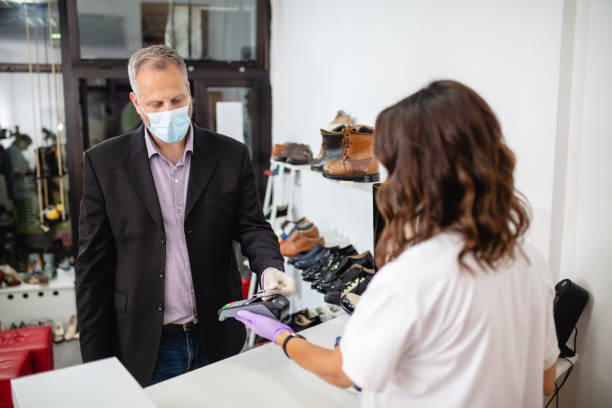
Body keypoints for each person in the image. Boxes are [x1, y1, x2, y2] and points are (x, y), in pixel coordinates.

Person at [236, 80, 559, 407]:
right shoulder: (529, 260)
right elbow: (545, 381)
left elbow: (341, 372)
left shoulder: (411, 278)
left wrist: (282, 336)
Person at [75, 45, 295, 386]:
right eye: (156, 104)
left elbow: (252, 225)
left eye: (177, 100)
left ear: (189, 91)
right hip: (146, 344)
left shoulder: (230, 155)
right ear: (136, 103)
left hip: (217, 334)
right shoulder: (104, 164)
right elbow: (92, 270)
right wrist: (95, 366)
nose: (169, 111)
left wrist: (269, 267)